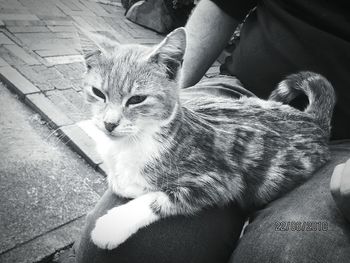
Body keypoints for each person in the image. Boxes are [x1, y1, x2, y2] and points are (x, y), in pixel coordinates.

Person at [74, 0, 350, 262]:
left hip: (324, 151)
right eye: (98, 93)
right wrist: (167, 90)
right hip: (237, 90)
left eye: (133, 100)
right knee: (114, 252)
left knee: (281, 251)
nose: (109, 120)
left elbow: (213, 183)